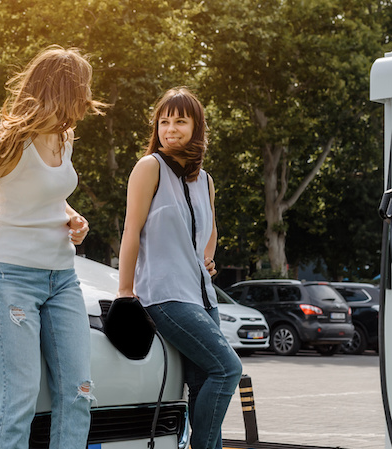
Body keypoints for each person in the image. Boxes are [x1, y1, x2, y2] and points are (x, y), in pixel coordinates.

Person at [0, 45, 105, 449]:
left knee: (79, 393)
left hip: (63, 278)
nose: (88, 96)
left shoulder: (64, 136)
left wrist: (72, 217)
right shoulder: (10, 139)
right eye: (83, 87)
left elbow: (46, 194)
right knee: (19, 399)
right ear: (65, 87)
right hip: (12, 276)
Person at [116, 87, 242, 449]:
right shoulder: (149, 167)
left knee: (205, 385)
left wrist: (207, 255)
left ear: (196, 126)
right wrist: (126, 291)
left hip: (203, 298)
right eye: (164, 121)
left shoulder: (205, 181)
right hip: (164, 294)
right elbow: (131, 230)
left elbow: (211, 228)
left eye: (180, 121)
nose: (170, 129)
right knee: (228, 369)